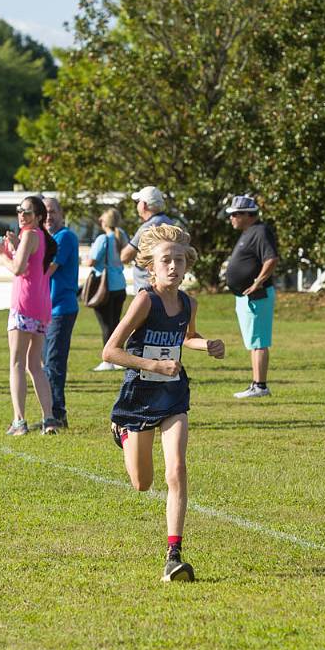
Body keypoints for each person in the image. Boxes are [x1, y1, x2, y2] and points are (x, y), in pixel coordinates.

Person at [103, 223, 225, 583]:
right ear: (151, 267)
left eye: (179, 261)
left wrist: (206, 345)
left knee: (177, 470)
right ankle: (123, 432)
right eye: (166, 261)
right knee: (142, 483)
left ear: (187, 266)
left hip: (173, 394)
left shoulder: (189, 303)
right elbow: (110, 350)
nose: (173, 267)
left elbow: (185, 337)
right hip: (139, 396)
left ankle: (173, 555)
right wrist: (153, 364)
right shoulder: (145, 301)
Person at [0, 194, 58, 434]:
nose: (21, 215)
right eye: (19, 210)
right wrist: (12, 247)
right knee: (35, 365)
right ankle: (49, 419)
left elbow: (18, 269)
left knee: (17, 363)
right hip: (40, 305)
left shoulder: (30, 234)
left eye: (27, 212)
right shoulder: (40, 237)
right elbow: (29, 265)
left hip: (24, 303)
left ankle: (19, 421)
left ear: (39, 217)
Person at [223, 194, 278, 399]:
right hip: (245, 297)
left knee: (259, 341)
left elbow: (271, 259)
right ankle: (256, 383)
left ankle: (260, 385)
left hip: (257, 296)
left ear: (249, 214)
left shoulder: (261, 231)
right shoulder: (249, 232)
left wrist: (257, 282)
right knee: (253, 341)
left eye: (236, 214)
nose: (232, 218)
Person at [43, 196, 80, 427]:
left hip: (61, 308)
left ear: (62, 213)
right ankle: (51, 412)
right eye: (45, 211)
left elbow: (47, 270)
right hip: (47, 309)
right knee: (47, 363)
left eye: (52, 211)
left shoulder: (65, 237)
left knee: (54, 363)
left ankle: (57, 413)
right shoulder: (49, 239)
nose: (48, 216)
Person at [85, 208, 129, 370]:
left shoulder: (103, 238)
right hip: (120, 285)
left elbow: (91, 261)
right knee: (116, 323)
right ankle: (119, 357)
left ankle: (108, 360)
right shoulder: (122, 236)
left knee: (106, 324)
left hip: (105, 286)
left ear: (104, 222)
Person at [120, 185, 174, 292]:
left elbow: (125, 257)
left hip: (147, 286)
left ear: (143, 205)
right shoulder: (169, 222)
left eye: (138, 202)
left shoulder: (147, 227)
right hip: (166, 285)